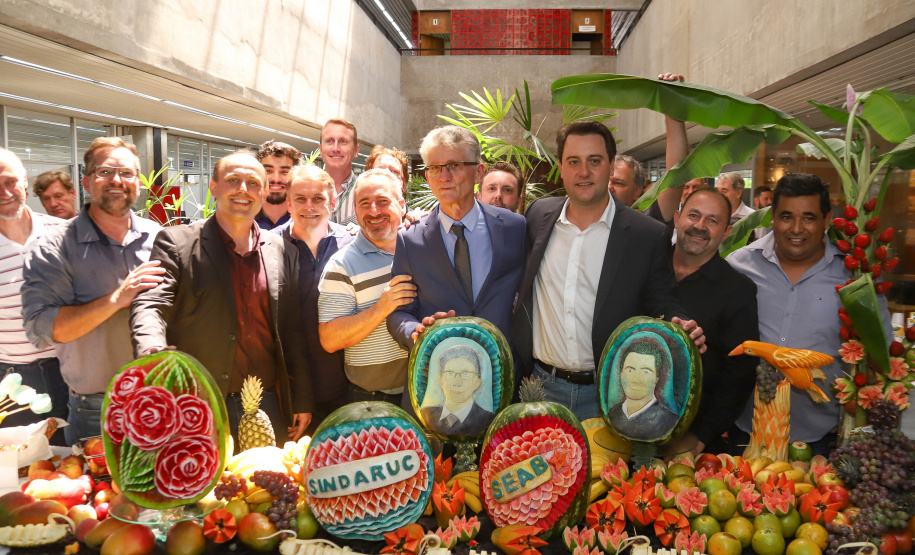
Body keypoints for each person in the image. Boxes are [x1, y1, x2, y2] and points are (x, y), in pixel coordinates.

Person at [511, 121, 706, 421]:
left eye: (595, 161)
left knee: (609, 471)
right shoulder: (538, 216)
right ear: (561, 167)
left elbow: (663, 300)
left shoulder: (645, 234)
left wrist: (683, 323)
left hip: (613, 393)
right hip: (540, 387)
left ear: (611, 165)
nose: (583, 172)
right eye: (573, 162)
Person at [130, 150, 313, 447]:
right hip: (200, 402)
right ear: (214, 187)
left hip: (267, 404)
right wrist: (152, 350)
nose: (243, 190)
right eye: (233, 180)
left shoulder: (282, 249)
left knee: (266, 489)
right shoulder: (176, 242)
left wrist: (302, 398)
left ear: (264, 192)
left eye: (253, 183)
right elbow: (150, 303)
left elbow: (292, 329)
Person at [726, 173, 892, 456]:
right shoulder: (740, 266)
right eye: (787, 217)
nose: (797, 228)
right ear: (772, 218)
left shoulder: (854, 279)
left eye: (809, 218)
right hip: (745, 434)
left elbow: (881, 356)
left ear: (827, 221)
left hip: (822, 443)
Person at [22, 137, 163, 446]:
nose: (116, 180)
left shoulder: (160, 238)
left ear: (138, 182)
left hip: (162, 398)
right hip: (97, 408)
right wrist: (116, 299)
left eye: (126, 173)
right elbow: (42, 329)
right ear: (86, 182)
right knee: (99, 495)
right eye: (105, 171)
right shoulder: (53, 247)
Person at [386, 126, 526, 351]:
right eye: (436, 167)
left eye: (454, 165)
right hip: (439, 373)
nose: (445, 176)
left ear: (479, 172)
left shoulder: (514, 227)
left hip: (502, 372)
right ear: (428, 177)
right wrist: (415, 331)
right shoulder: (410, 240)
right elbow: (399, 313)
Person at [671, 188, 759, 454]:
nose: (700, 226)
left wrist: (700, 435)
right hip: (624, 426)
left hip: (689, 437)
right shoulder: (646, 269)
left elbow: (740, 373)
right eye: (694, 215)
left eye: (712, 220)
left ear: (727, 232)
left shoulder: (738, 290)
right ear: (677, 218)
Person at [318, 169, 415, 405]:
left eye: (383, 201)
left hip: (426, 388)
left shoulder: (422, 247)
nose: (374, 211)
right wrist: (381, 308)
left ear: (401, 205)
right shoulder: (342, 264)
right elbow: (329, 339)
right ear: (355, 211)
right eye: (364, 203)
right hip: (372, 399)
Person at [274, 165, 354, 433]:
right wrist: (298, 396)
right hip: (291, 392)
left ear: (332, 203)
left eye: (318, 198)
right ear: (288, 203)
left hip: (348, 389)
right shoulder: (269, 248)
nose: (309, 206)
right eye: (300, 198)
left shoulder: (352, 245)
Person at [0, 150, 68, 444]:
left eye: (9, 182)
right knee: (23, 471)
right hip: (14, 384)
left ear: (25, 183)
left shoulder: (64, 233)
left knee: (79, 464)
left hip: (71, 376)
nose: (4, 193)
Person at [608, 341, 678, 440]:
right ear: (621, 374)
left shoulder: (669, 420)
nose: (636, 379)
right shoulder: (613, 414)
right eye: (630, 370)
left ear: (656, 378)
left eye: (646, 372)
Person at [420, 344, 493, 436]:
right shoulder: (427, 415)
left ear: (478, 381)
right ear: (440, 379)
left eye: (465, 374)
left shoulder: (487, 419)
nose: (457, 382)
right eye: (450, 373)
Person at [254, 140, 302, 230]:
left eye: (284, 172)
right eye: (268, 171)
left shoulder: (306, 220)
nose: (276, 179)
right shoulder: (243, 220)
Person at [321, 119, 359, 225]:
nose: (335, 148)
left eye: (343, 141)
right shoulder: (305, 188)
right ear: (320, 149)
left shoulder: (368, 191)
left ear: (355, 150)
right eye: (329, 141)